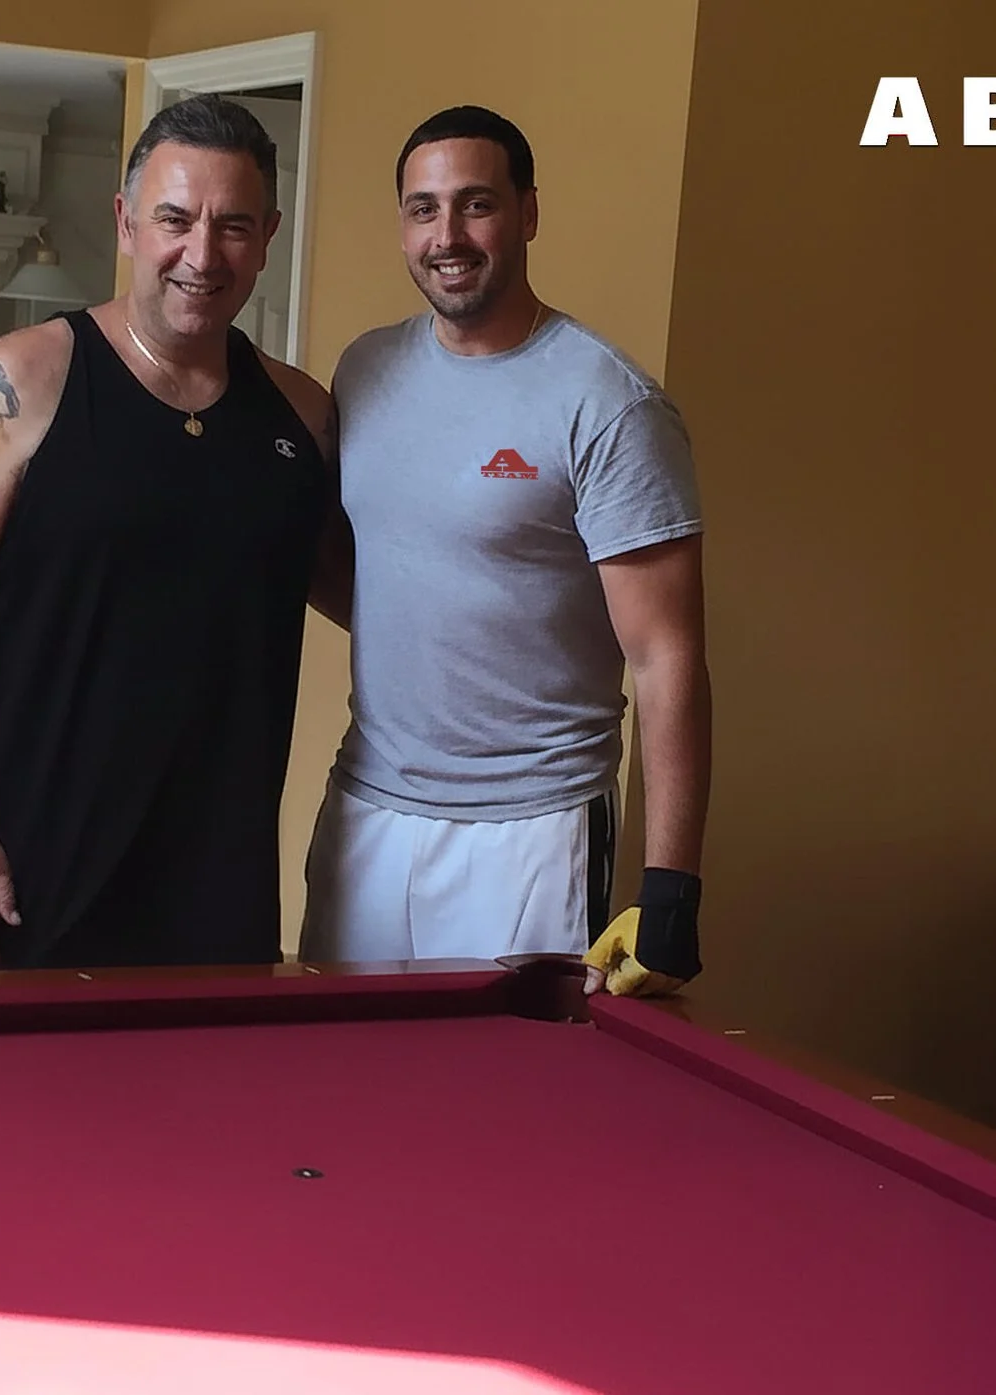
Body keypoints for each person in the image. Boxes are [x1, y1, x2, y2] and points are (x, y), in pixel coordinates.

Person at [0, 95, 339, 974]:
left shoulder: (302, 414)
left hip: (220, 888)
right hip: (28, 876)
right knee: (15, 1114)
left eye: (233, 225)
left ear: (270, 235)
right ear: (128, 222)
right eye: (175, 218)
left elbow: (364, 590)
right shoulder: (18, 385)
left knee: (207, 1112)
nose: (201, 254)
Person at [299, 105, 713, 997]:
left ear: (528, 212)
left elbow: (666, 655)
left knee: (512, 1116)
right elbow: (370, 569)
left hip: (534, 830)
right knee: (341, 1085)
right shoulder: (365, 370)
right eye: (422, 209)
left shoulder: (609, 403)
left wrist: (672, 890)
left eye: (475, 204)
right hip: (367, 810)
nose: (446, 236)